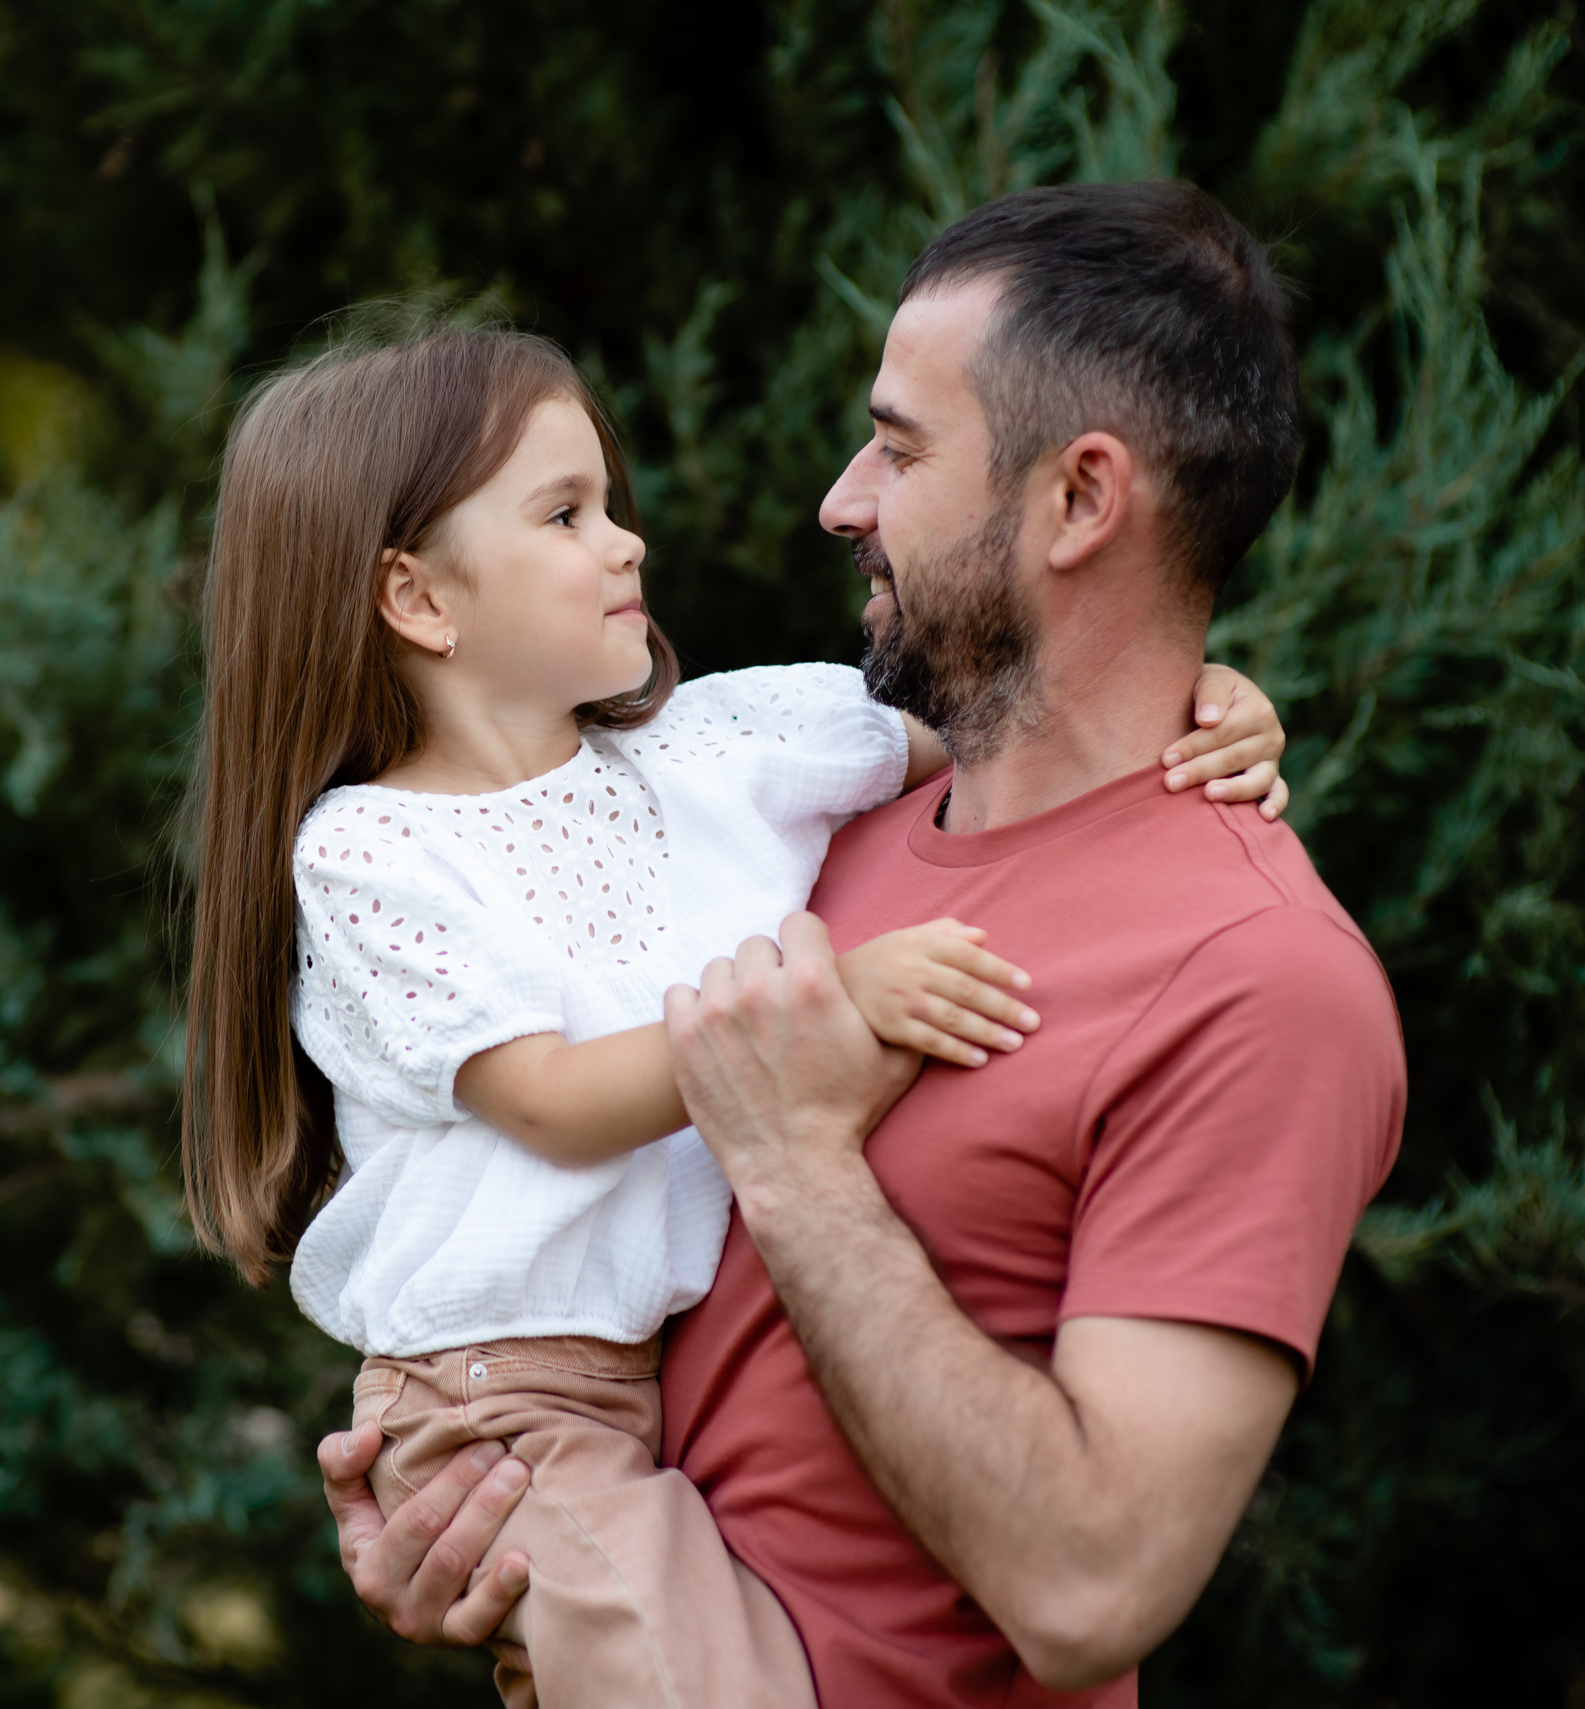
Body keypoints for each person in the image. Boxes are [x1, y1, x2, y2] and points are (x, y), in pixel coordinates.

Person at [319, 182, 1410, 1706]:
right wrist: (489, 1542)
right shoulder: (787, 844)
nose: (840, 498)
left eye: (899, 447)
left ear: (1081, 502)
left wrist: (797, 1160)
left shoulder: (1258, 979)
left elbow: (1093, 1587)